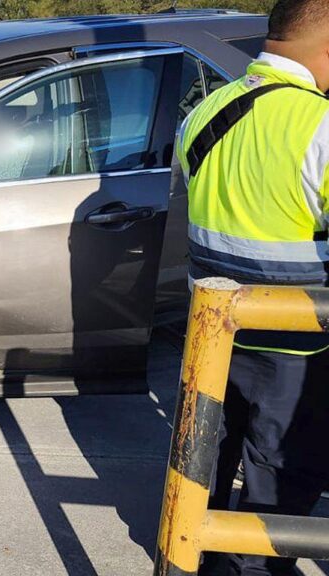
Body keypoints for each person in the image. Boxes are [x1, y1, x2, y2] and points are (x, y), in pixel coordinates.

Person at [177, 1, 329, 574]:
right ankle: (259, 566)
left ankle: (194, 552)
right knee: (281, 464)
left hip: (211, 332)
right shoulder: (320, 124)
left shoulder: (205, 110)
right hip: (298, 344)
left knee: (208, 453)